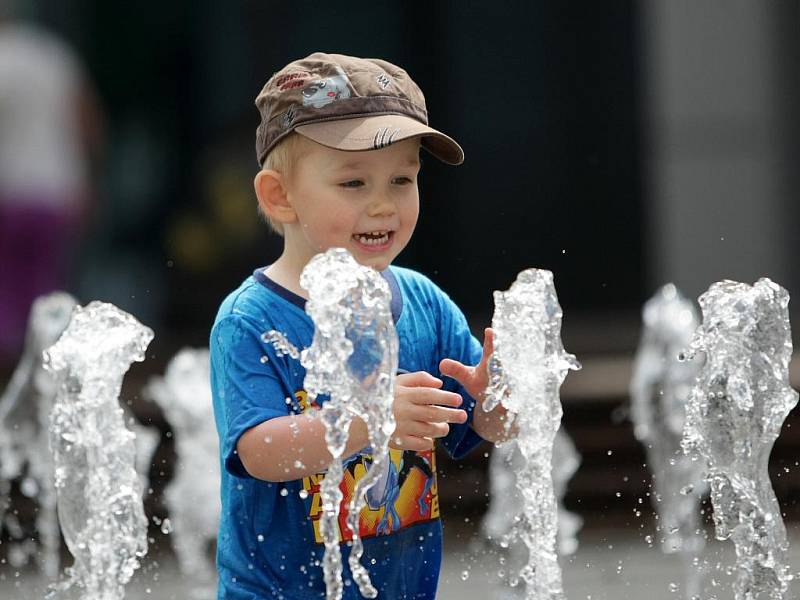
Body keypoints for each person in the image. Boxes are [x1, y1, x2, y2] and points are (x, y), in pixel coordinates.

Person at [210, 52, 511, 599]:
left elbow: (482, 426)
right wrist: (369, 421)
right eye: (353, 183)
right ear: (280, 196)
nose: (382, 205)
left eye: (401, 179)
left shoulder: (423, 302)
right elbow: (257, 451)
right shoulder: (250, 319)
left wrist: (499, 402)